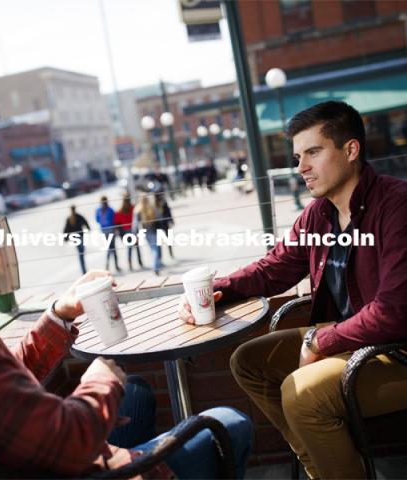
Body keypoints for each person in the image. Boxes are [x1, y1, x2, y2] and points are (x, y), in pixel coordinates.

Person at [0, 173, 254, 479]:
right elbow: (67, 440)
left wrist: (60, 314)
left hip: (43, 447)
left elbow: (3, 382)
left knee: (135, 389)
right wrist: (100, 382)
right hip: (80, 465)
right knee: (230, 422)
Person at [179, 101, 407, 479]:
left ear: (351, 150)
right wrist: (216, 290)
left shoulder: (396, 206)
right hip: (354, 340)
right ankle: (325, 468)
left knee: (303, 395)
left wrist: (321, 339)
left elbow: (395, 310)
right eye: (298, 156)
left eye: (313, 152)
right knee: (249, 362)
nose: (300, 167)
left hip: (397, 351)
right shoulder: (319, 214)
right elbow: (273, 269)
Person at [114, 192, 143, 271]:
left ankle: (130, 263)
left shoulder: (119, 210)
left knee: (129, 248)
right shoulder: (133, 207)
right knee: (137, 247)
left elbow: (117, 222)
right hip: (134, 230)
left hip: (126, 231)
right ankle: (140, 261)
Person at [135, 195, 162, 275]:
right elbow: (159, 218)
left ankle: (156, 263)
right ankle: (156, 266)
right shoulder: (152, 208)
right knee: (155, 250)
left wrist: (136, 234)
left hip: (146, 232)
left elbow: (135, 224)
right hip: (154, 231)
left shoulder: (138, 210)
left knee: (152, 249)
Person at [96, 195, 121, 273]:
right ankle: (115, 266)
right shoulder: (110, 210)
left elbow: (97, 219)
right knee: (113, 248)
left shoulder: (98, 210)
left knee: (109, 248)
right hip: (110, 230)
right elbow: (115, 220)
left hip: (104, 230)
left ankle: (108, 265)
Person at [63, 205, 90, 274]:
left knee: (80, 253)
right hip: (80, 237)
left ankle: (83, 270)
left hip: (74, 238)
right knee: (82, 253)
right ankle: (84, 270)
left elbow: (66, 229)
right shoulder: (78, 216)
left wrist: (65, 237)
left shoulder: (69, 218)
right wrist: (88, 228)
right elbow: (85, 222)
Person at [154, 192, 174, 260]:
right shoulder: (153, 204)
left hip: (164, 223)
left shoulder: (163, 203)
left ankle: (170, 253)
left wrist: (171, 220)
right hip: (158, 225)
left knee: (168, 240)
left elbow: (168, 212)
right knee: (159, 242)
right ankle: (160, 256)